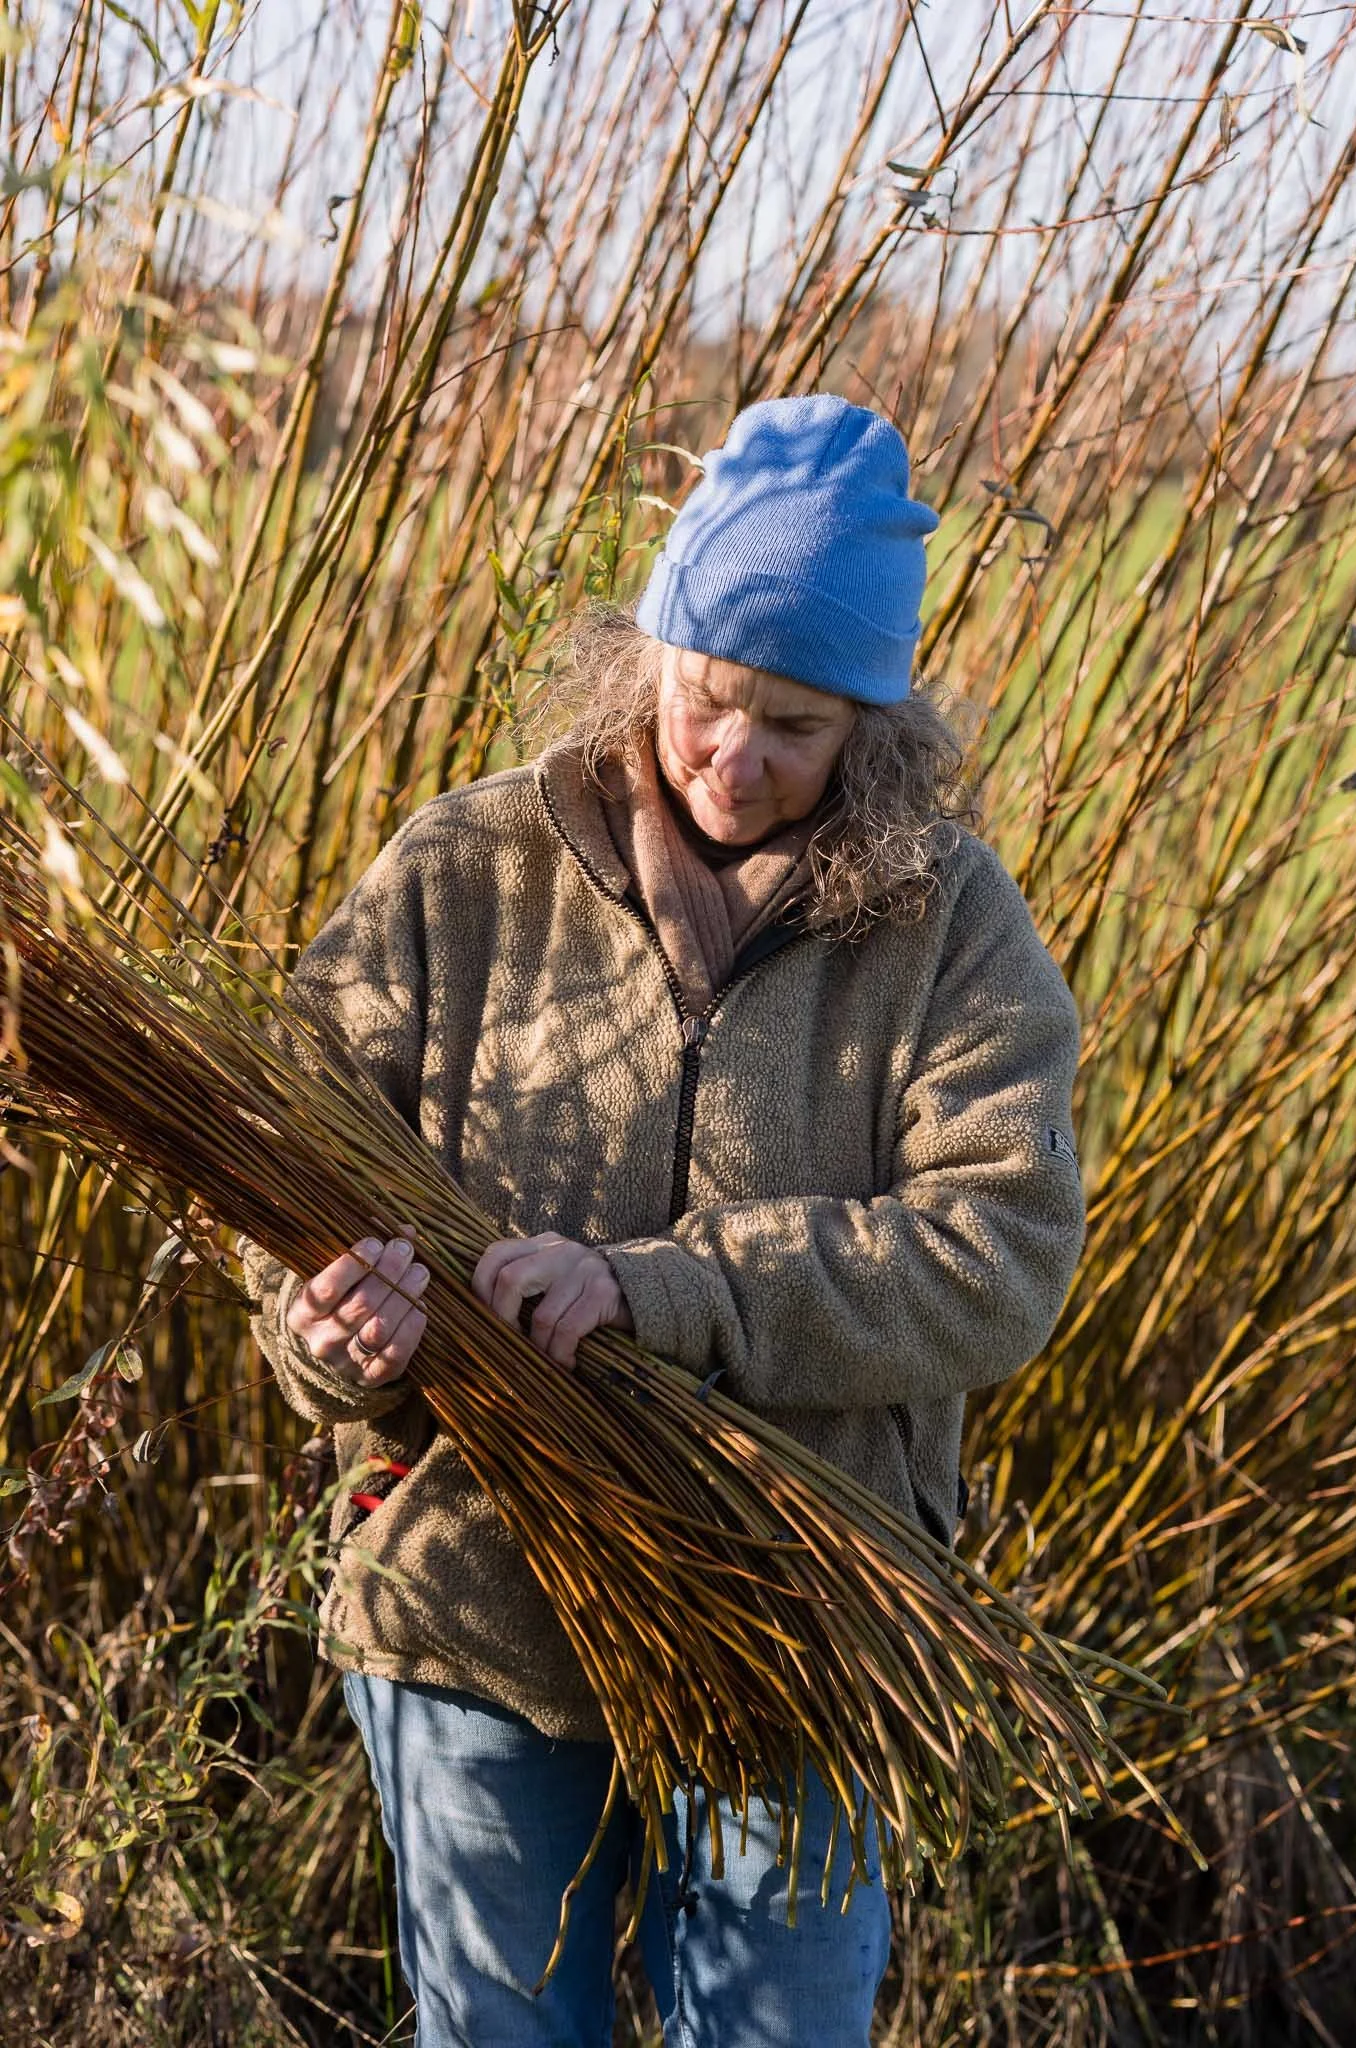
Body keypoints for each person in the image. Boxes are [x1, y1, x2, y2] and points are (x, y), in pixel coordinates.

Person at [243, 392, 1088, 2046]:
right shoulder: (463, 869)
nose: (732, 757)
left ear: (872, 731)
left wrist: (675, 1292)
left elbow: (999, 1253)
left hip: (801, 1616)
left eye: (795, 726)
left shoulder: (948, 925)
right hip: (471, 1607)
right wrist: (325, 1329)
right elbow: (286, 1164)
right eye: (707, 697)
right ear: (646, 662)